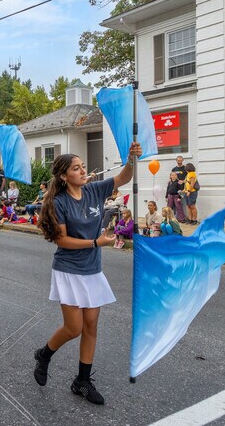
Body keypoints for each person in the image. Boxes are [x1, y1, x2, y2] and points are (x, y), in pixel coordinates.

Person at [32, 142, 142, 406]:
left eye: (83, 167)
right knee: (74, 328)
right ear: (63, 176)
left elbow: (125, 177)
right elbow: (62, 241)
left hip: (92, 269)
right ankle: (44, 354)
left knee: (91, 326)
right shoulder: (59, 202)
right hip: (69, 270)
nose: (83, 171)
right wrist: (96, 243)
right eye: (76, 168)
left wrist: (130, 159)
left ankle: (82, 380)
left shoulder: (94, 190)